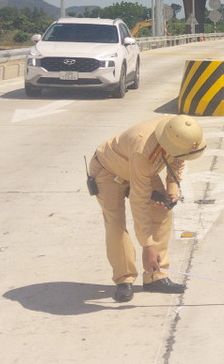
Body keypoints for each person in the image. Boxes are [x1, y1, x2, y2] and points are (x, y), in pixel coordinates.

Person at [87, 114, 206, 303]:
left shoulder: (177, 131)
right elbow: (139, 201)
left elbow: (178, 160)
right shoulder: (143, 151)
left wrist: (172, 190)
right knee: (115, 224)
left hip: (140, 169)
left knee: (162, 211)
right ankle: (124, 280)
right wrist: (147, 246)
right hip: (108, 171)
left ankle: (155, 276)